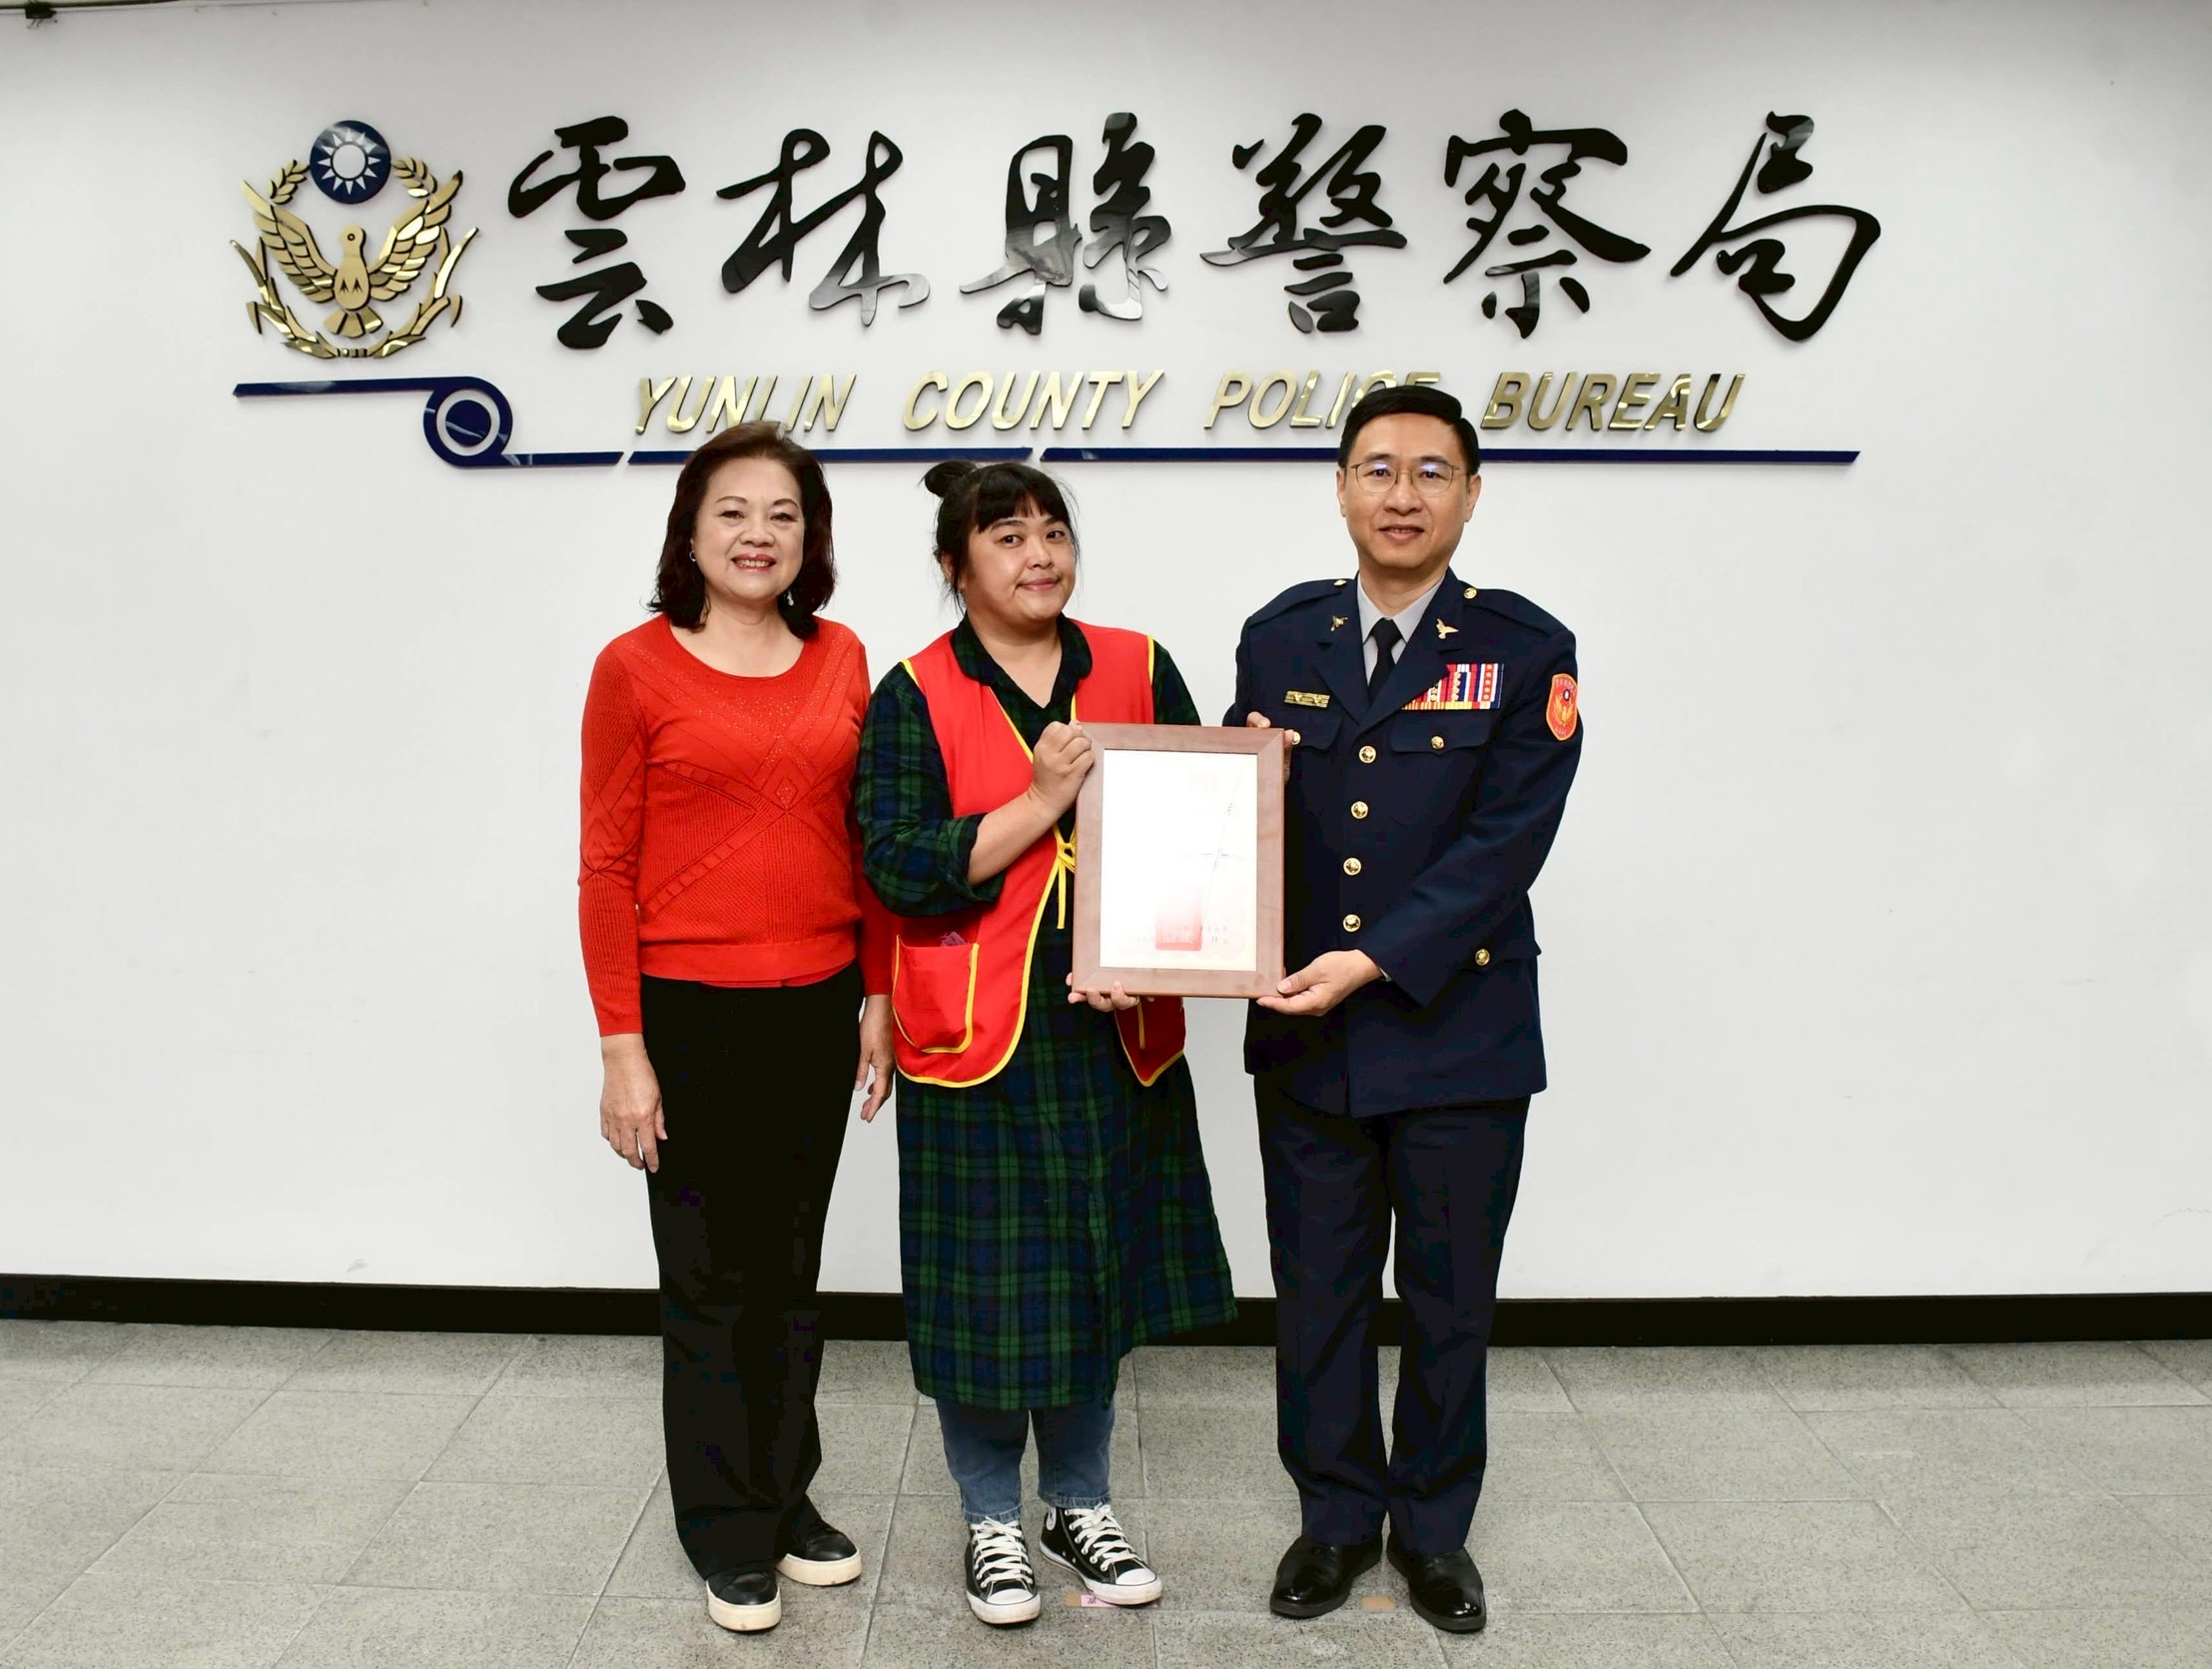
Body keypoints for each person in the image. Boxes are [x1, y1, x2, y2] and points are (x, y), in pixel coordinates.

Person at [855, 459, 1236, 1627]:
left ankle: (1077, 1503)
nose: (1038, 555)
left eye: (1052, 530)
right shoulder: (914, 690)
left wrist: (1152, 959)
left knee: (1092, 1276)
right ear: (953, 564)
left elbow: (1197, 831)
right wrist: (1036, 800)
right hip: (975, 1034)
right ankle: (989, 1519)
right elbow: (897, 864)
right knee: (981, 1295)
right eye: (1007, 535)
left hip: (1110, 1032)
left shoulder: (1134, 663)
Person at [1229, 383, 1583, 1633]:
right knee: (1316, 1296)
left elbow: (1503, 846)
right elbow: (1234, 818)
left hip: (1458, 1035)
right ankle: (1334, 1521)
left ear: (1470, 495)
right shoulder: (1280, 638)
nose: (1401, 495)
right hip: (1307, 1035)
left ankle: (1431, 1533)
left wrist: (1372, 958)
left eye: (1430, 472)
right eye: (1376, 469)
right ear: (1338, 487)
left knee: (1447, 1302)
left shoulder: (1525, 649)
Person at [578, 421, 896, 1634]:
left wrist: (876, 997)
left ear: (809, 538)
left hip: (816, 1003)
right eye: (733, 511)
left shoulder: (842, 656)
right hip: (687, 1014)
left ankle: (783, 1490)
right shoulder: (633, 668)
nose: (758, 534)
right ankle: (722, 1526)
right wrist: (622, 1047)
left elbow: (864, 842)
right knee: (710, 1277)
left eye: (783, 514)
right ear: (690, 531)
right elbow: (605, 867)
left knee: (791, 1270)